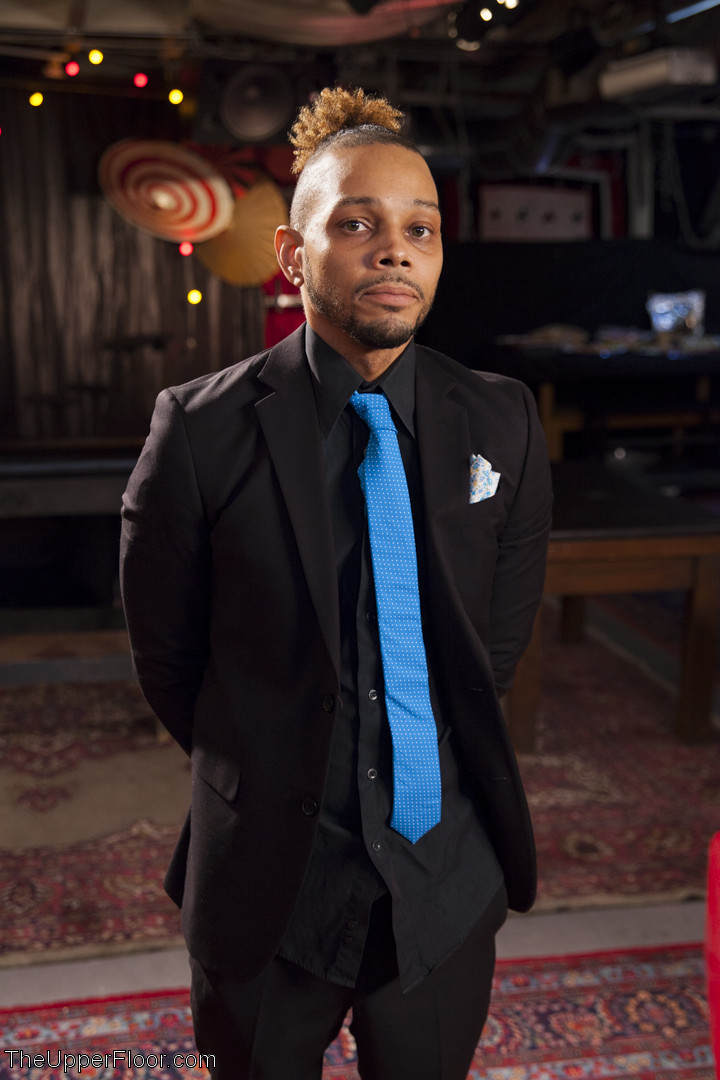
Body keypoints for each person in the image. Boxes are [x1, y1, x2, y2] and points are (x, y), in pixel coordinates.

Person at [120, 86, 552, 1080]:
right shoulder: (198, 431)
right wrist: (269, 763)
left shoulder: (503, 421)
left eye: (419, 229)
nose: (395, 251)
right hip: (271, 883)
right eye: (358, 224)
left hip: (444, 876)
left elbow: (492, 647)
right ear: (292, 252)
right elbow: (169, 661)